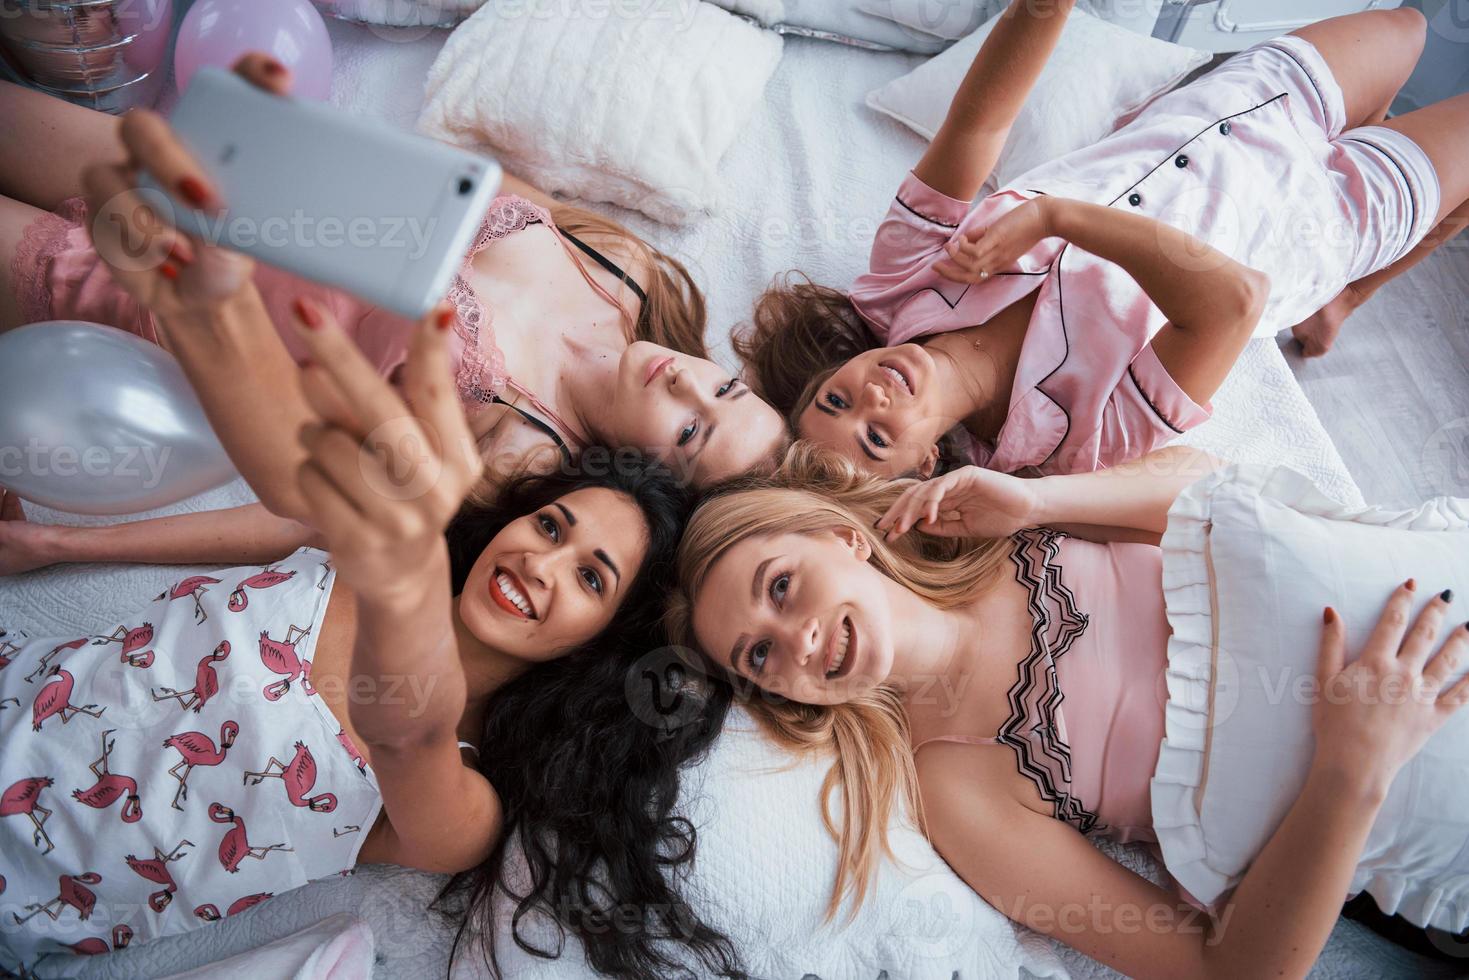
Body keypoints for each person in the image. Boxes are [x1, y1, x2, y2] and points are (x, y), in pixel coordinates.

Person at [0, 304, 738, 978]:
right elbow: (280, 488)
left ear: (597, 650)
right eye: (549, 525)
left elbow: (405, 730)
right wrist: (50, 542)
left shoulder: (461, 806)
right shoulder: (353, 560)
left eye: (590, 579)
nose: (538, 563)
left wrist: (407, 552)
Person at [664, 445, 1469, 976]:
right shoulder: (955, 786)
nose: (794, 639)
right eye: (758, 657)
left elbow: (1222, 496)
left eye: (780, 587)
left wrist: (1036, 499)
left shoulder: (999, 530)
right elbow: (1225, 970)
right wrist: (1353, 765)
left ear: (842, 537)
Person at [0, 56, 787, 567]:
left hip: (152, 291)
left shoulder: (522, 449)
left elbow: (304, 521)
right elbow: (453, 180)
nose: (686, 387)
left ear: (650, 476)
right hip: (210, 180)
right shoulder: (629, 271)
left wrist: (61, 544)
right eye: (722, 390)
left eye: (690, 434)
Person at [737, 3, 1468, 479]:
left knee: (1408, 25)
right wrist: (1059, 218)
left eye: (836, 401)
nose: (870, 396)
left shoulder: (900, 278)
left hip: (1241, 107)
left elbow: (978, 127)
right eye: (875, 437)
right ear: (924, 463)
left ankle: (1339, 305)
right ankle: (1344, 293)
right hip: (1328, 218)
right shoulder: (1072, 444)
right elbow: (1231, 305)